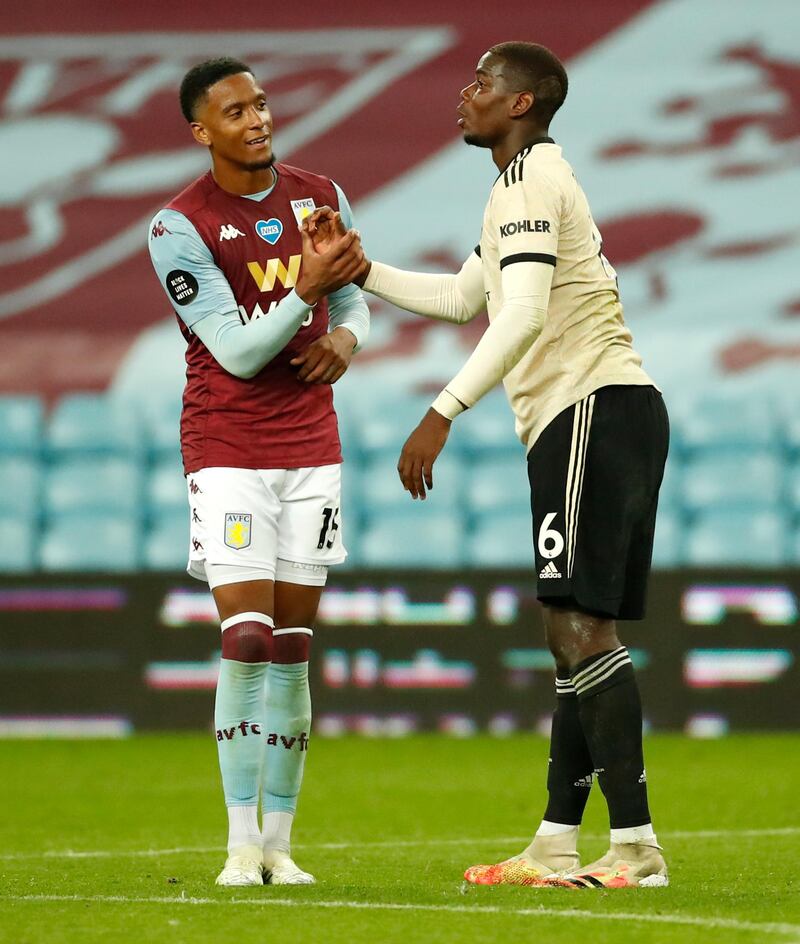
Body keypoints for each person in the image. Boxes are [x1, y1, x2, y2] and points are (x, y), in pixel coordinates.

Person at [305, 41, 669, 889]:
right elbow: (469, 298)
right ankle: (554, 841)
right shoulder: (515, 189)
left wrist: (441, 411)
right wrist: (364, 270)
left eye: (482, 84)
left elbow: (525, 317)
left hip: (592, 406)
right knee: (568, 629)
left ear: (523, 102)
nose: (463, 95)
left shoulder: (532, 185)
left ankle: (638, 845)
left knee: (584, 630)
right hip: (590, 414)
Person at [147, 57, 369, 887]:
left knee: (294, 652)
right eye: (235, 111)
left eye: (263, 103)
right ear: (202, 131)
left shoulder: (322, 194)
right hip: (229, 442)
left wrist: (346, 335)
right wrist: (301, 288)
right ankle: (240, 845)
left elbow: (352, 301)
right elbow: (236, 353)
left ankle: (280, 844)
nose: (258, 119)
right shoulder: (178, 226)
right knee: (247, 639)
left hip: (312, 444)